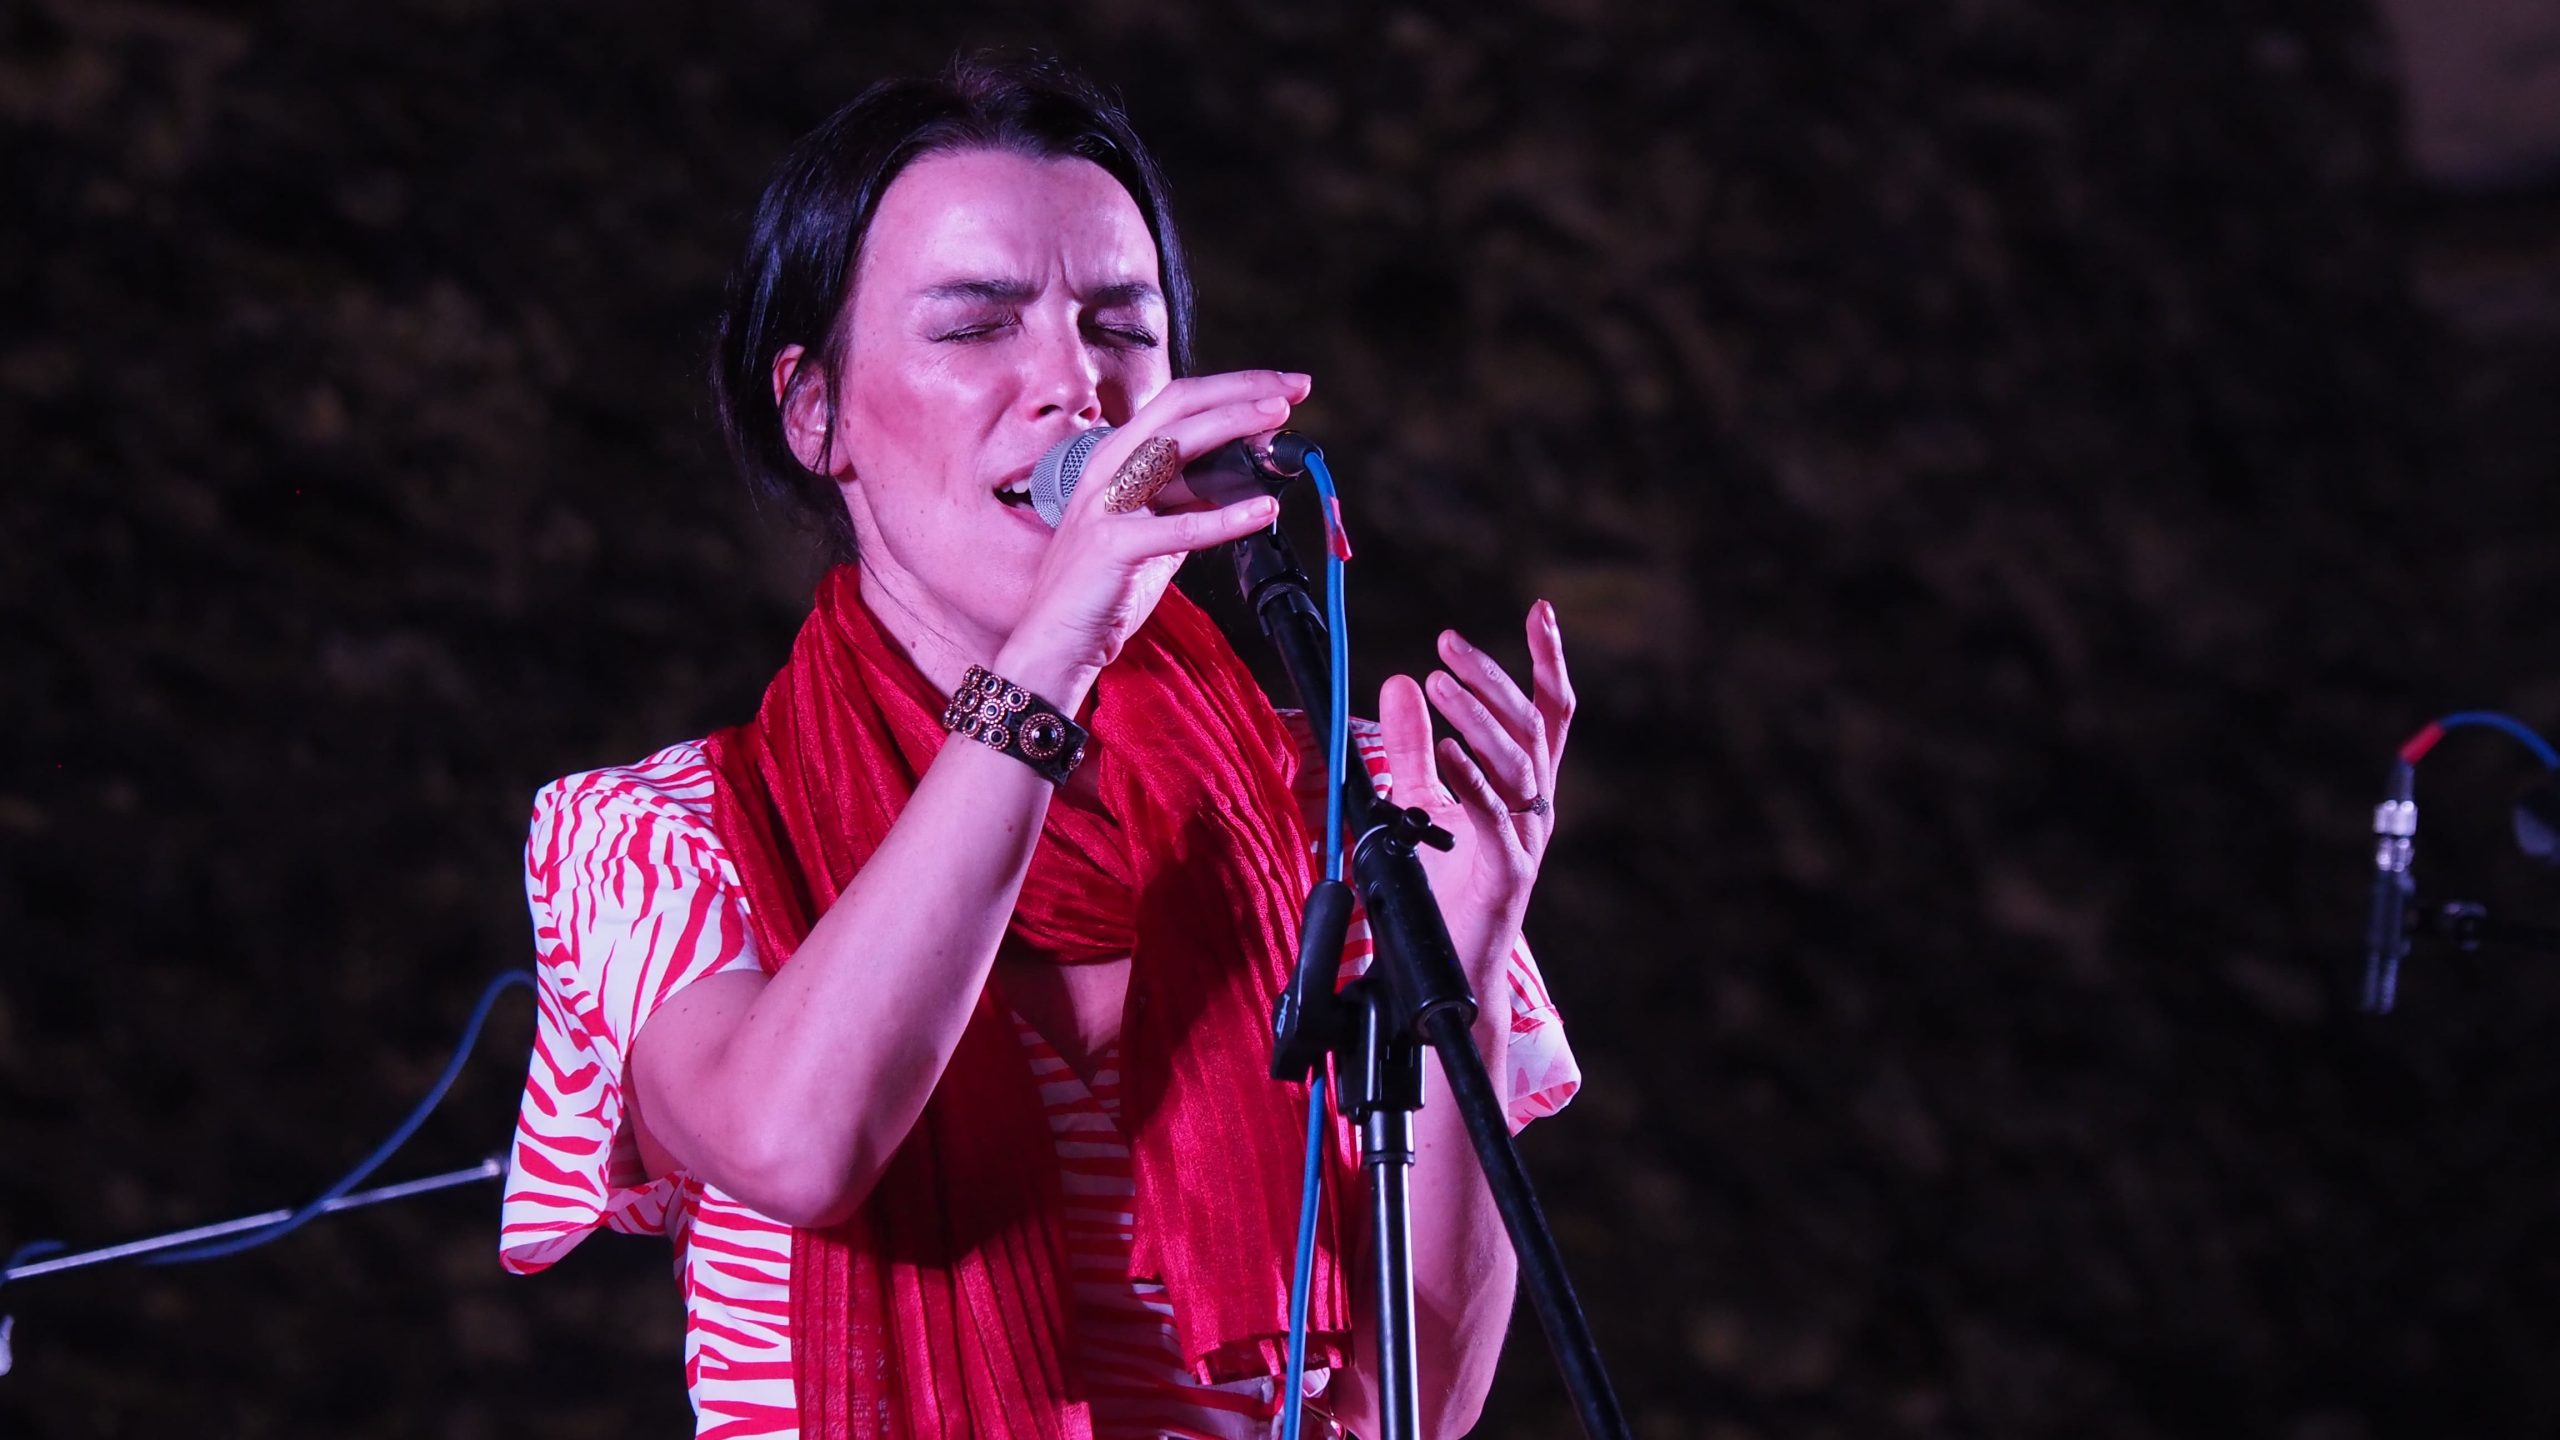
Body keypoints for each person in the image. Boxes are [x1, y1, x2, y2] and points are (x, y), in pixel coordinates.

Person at [498, 56, 1581, 1440]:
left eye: (1123, 327)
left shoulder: (1332, 807)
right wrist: (1052, 653)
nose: (1076, 385)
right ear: (815, 410)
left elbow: (1404, 1405)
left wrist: (1467, 948)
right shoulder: (662, 835)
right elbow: (796, 1144)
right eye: (975, 326)